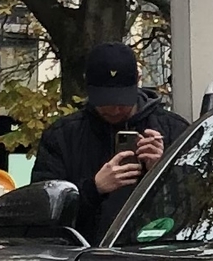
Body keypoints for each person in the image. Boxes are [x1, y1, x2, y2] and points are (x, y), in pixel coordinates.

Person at [31, 42, 193, 243]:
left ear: (137, 83)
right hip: (83, 258)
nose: (115, 110)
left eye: (122, 102)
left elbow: (197, 205)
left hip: (158, 257)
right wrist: (93, 189)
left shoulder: (174, 130)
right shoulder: (62, 136)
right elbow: (42, 212)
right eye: (105, 103)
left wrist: (162, 172)